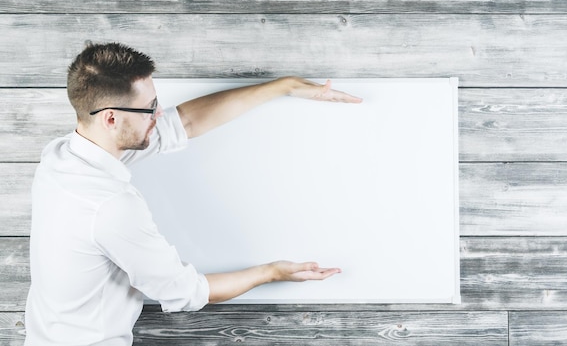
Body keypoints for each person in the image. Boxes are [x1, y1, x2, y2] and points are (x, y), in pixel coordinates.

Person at [25, 42, 362, 345]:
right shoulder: (110, 206)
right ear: (111, 118)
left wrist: (282, 86)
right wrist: (271, 272)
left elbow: (183, 122)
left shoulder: (62, 156)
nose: (158, 114)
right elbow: (184, 291)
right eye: (149, 109)